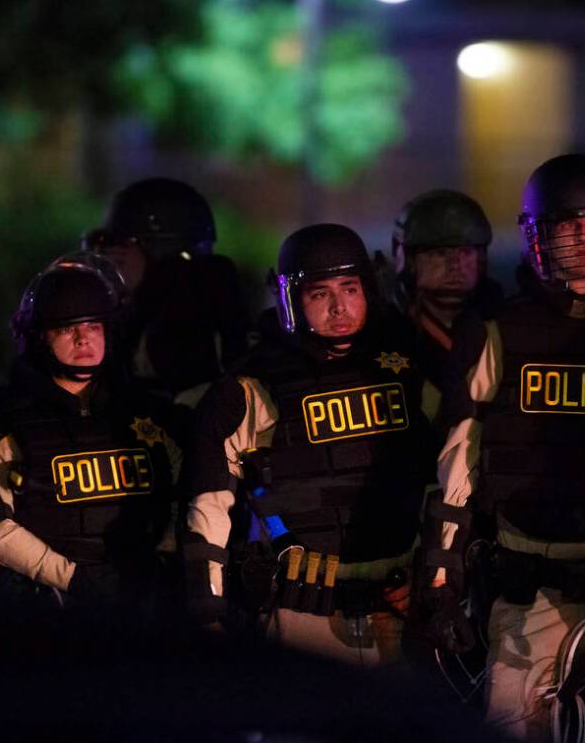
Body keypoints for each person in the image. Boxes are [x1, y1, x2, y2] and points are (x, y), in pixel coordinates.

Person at [416, 153, 585, 743]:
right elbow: (460, 454)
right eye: (568, 225)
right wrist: (440, 568)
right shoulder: (502, 327)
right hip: (528, 578)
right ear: (539, 237)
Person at [182, 223, 435, 665]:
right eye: (320, 294)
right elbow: (209, 508)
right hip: (300, 609)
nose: (339, 307)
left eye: (350, 288)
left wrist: (435, 575)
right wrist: (209, 610)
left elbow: (447, 477)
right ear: (291, 299)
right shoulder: (250, 386)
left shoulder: (408, 369)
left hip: (399, 603)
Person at [0, 254, 183, 618]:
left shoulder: (153, 414)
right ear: (38, 338)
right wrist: (74, 580)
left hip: (145, 603)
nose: (82, 339)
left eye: (93, 326)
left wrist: (159, 563)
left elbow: (189, 493)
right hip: (44, 610)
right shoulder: (1, 422)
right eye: (66, 329)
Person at [85, 177, 250, 406]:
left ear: (159, 252)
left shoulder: (188, 331)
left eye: (123, 243)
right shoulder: (134, 318)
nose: (112, 256)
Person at [391, 189, 503, 429]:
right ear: (408, 259)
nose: (455, 265)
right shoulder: (389, 332)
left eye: (466, 252)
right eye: (439, 253)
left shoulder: (502, 326)